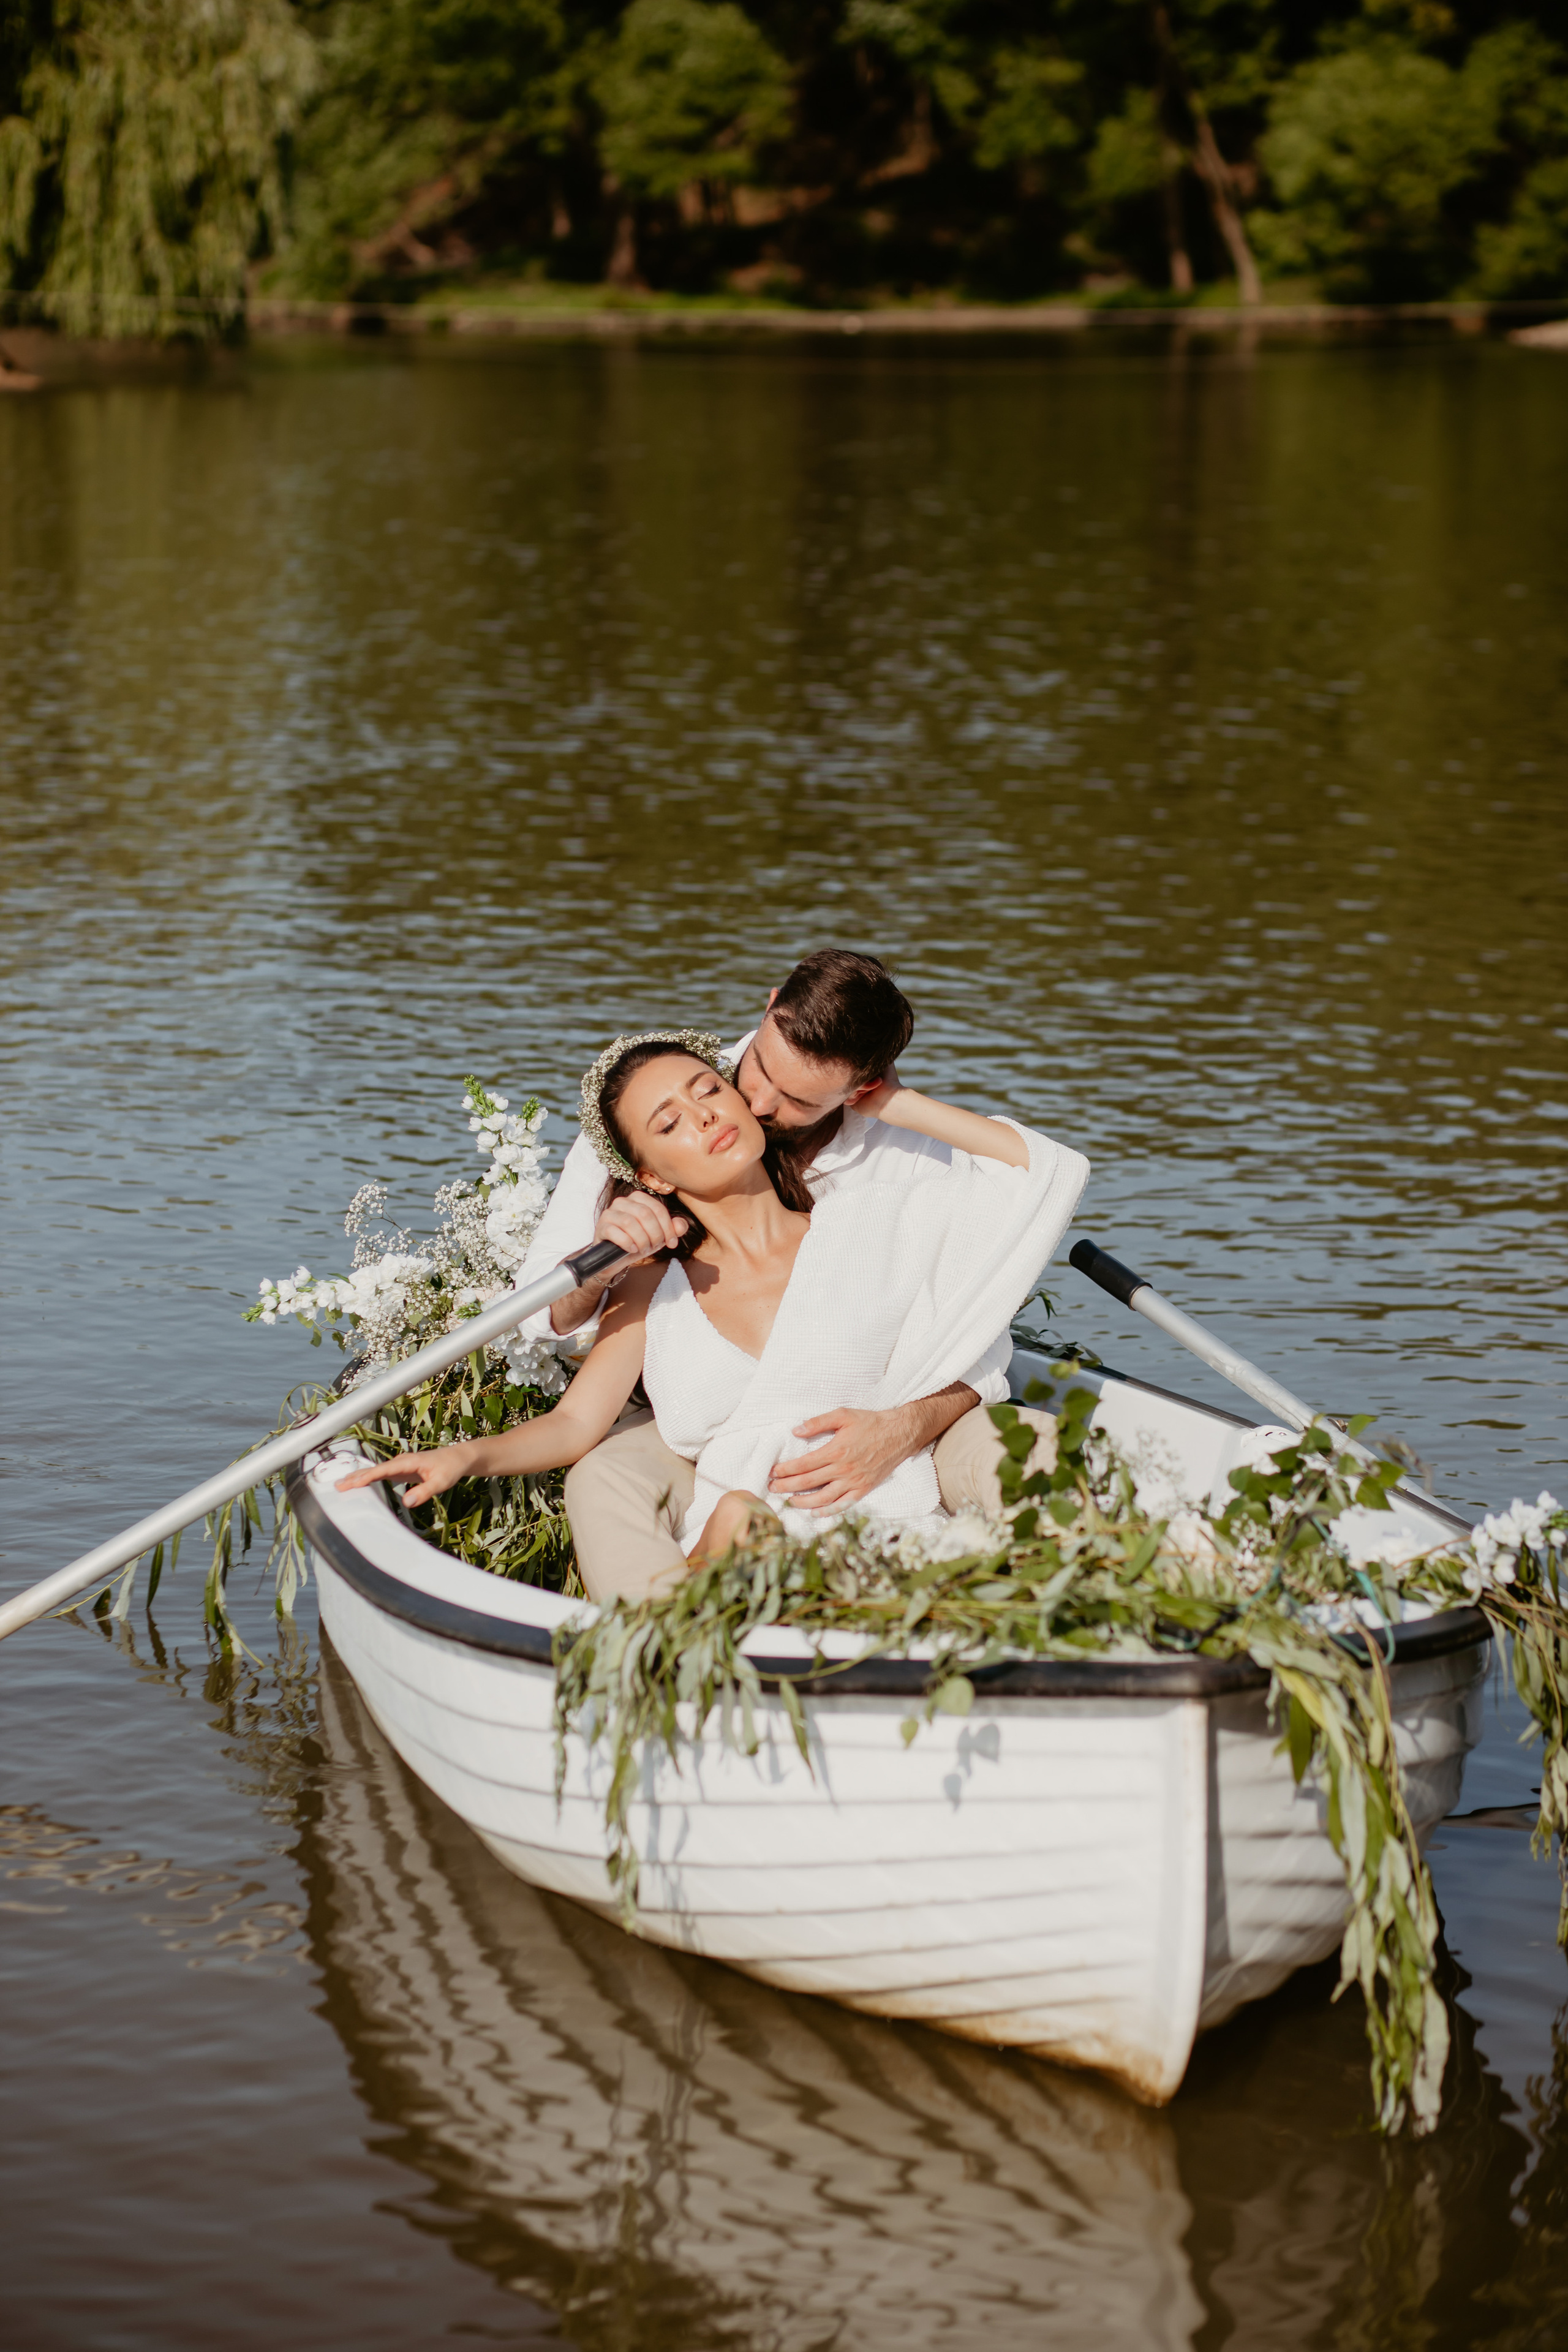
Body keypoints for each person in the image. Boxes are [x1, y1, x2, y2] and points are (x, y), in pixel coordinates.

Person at [339, 1032, 1089, 1602]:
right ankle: (692, 1621)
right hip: (744, 1538)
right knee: (739, 1517)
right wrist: (467, 1456)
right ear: (652, 1175)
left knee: (1008, 1481)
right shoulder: (648, 1287)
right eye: (669, 1124)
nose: (704, 1116)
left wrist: (875, 1095)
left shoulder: (870, 1221)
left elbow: (1038, 1171)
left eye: (708, 1091)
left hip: (889, 1513)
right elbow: (575, 1426)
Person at [511, 951, 1058, 1593]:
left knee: (1020, 1438)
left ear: (859, 1090)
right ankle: (656, 1650)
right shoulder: (662, 1103)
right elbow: (539, 1316)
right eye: (759, 1068)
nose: (754, 1101)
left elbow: (972, 1322)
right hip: (684, 1415)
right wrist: (609, 1262)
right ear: (770, 1005)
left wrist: (900, 1427)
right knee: (605, 1478)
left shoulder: (903, 1166)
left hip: (864, 1417)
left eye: (797, 1099)